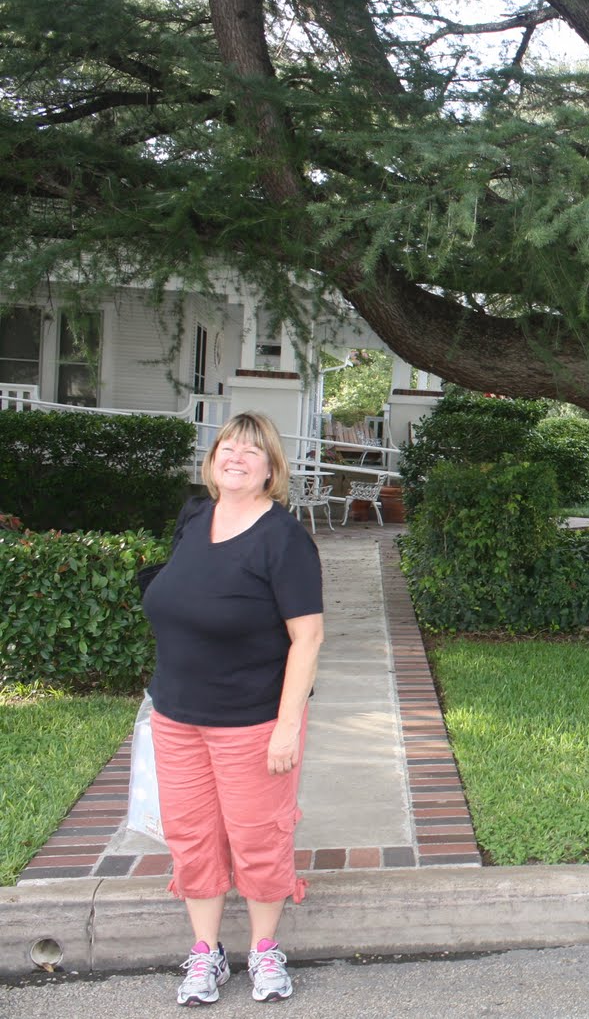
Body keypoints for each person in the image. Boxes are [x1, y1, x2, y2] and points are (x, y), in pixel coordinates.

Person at [141, 412, 324, 1005]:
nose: (236, 456)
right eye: (227, 446)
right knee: (193, 838)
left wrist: (287, 728)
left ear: (272, 469)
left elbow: (308, 637)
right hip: (177, 717)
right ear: (213, 459)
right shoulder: (194, 517)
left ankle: (265, 950)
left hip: (252, 723)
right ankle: (206, 954)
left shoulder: (284, 538)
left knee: (257, 839)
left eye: (252, 450)